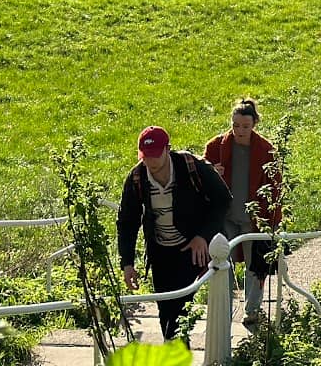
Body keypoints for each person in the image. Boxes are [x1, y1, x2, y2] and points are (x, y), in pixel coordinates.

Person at [116, 125, 232, 342]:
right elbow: (127, 222)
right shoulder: (137, 177)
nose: (150, 161)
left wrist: (203, 236)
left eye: (155, 155)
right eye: (145, 155)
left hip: (192, 248)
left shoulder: (191, 165)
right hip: (160, 252)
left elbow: (223, 200)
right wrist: (127, 264)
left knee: (180, 310)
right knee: (165, 311)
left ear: (167, 149)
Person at [204, 98, 283, 327]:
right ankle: (222, 310)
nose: (239, 131)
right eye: (235, 125)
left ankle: (252, 310)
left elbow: (275, 190)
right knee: (222, 265)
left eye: (245, 126)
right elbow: (200, 181)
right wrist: (212, 174)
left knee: (254, 267)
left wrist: (273, 224)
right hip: (225, 218)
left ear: (254, 124)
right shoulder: (215, 147)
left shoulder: (266, 151)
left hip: (253, 220)